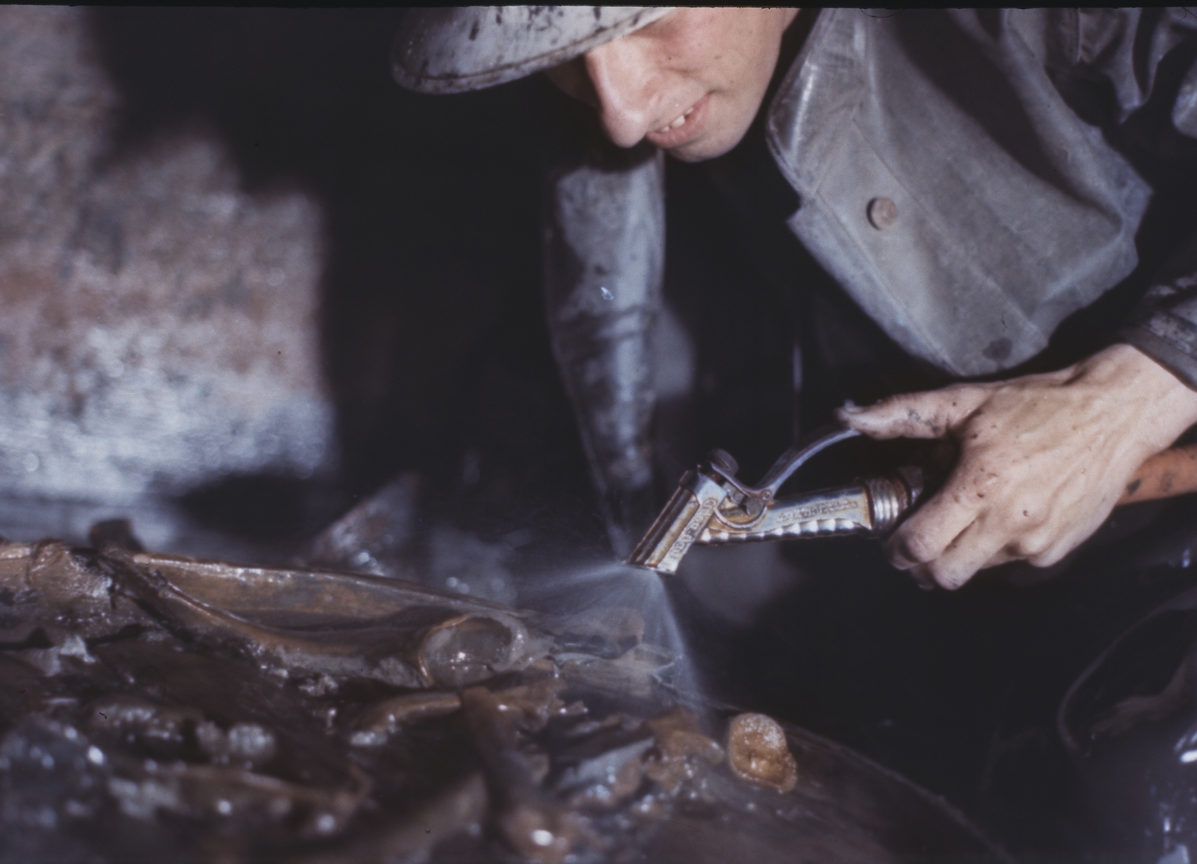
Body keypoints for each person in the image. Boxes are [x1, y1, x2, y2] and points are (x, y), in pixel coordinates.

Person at [392, 7, 1197, 591]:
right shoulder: (620, 108)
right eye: (568, 57)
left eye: (651, 20)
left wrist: (1124, 401)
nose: (622, 116)